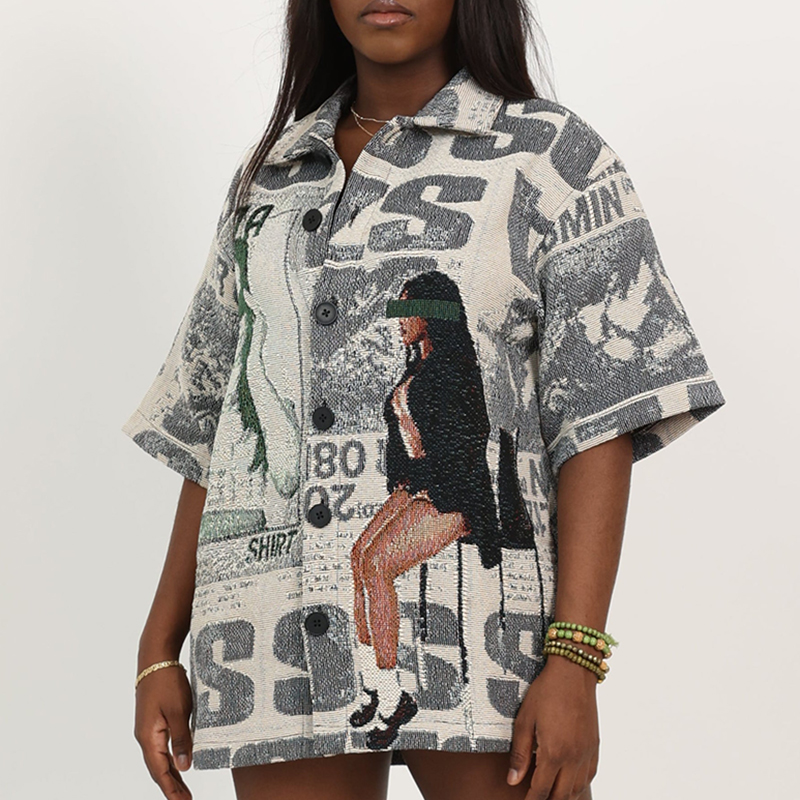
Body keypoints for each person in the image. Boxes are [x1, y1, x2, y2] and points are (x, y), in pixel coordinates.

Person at [123, 1, 727, 799]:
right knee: (370, 561)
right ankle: (384, 685)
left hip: (488, 652)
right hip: (271, 644)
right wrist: (158, 650)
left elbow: (598, 425)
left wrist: (575, 659)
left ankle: (395, 678)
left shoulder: (554, 160)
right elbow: (217, 428)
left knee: (375, 560)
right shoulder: (271, 178)